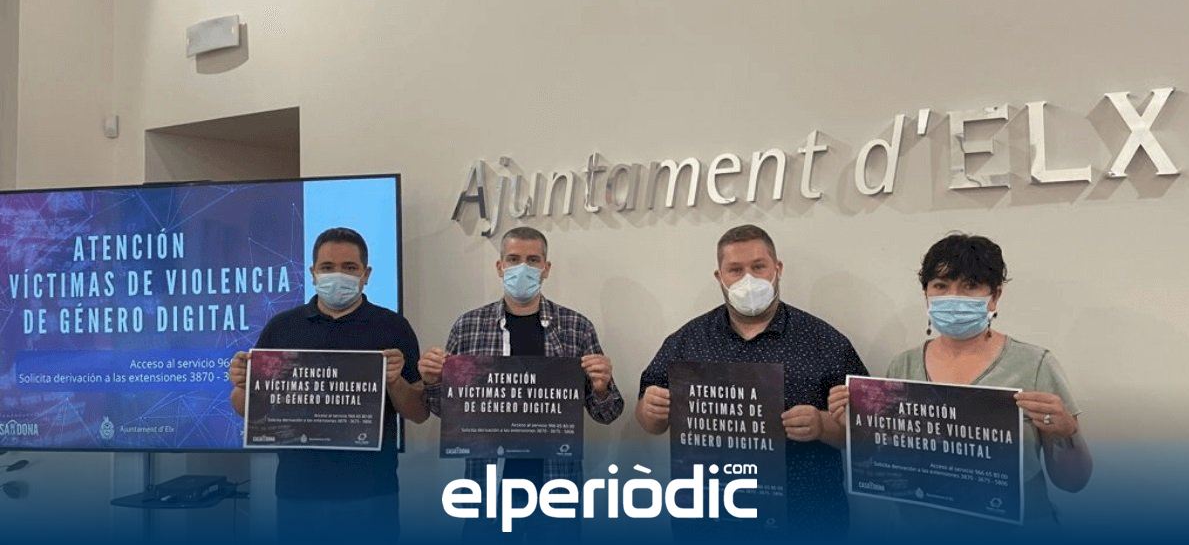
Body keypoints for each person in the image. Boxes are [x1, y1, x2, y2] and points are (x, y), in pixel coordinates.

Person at [829, 233, 1093, 532]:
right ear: (926, 294)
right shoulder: (903, 366)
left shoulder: (1034, 365)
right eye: (941, 286)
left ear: (995, 296)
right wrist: (858, 425)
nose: (953, 297)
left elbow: (1073, 482)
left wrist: (1068, 434)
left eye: (970, 285)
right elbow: (890, 462)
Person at [636, 224, 868, 537]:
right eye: (735, 269)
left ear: (778, 268)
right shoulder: (687, 341)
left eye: (758, 267)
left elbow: (868, 436)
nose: (748, 279)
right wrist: (649, 411)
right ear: (719, 276)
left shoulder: (825, 342)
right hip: (709, 521)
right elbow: (650, 422)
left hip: (807, 519)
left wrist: (822, 425)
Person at [418, 226, 624, 540]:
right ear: (500, 266)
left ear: (546, 268)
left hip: (555, 489)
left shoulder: (576, 327)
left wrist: (601, 387)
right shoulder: (468, 326)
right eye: (513, 259)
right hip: (487, 490)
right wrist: (432, 381)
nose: (522, 268)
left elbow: (607, 413)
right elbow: (448, 413)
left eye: (533, 260)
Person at [228, 227, 427, 542]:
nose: (338, 275)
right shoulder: (282, 327)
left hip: (372, 491)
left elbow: (419, 412)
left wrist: (395, 382)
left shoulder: (393, 327)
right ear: (313, 273)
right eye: (327, 267)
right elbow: (246, 409)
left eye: (349, 267)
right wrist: (242, 385)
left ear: (366, 274)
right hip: (298, 490)